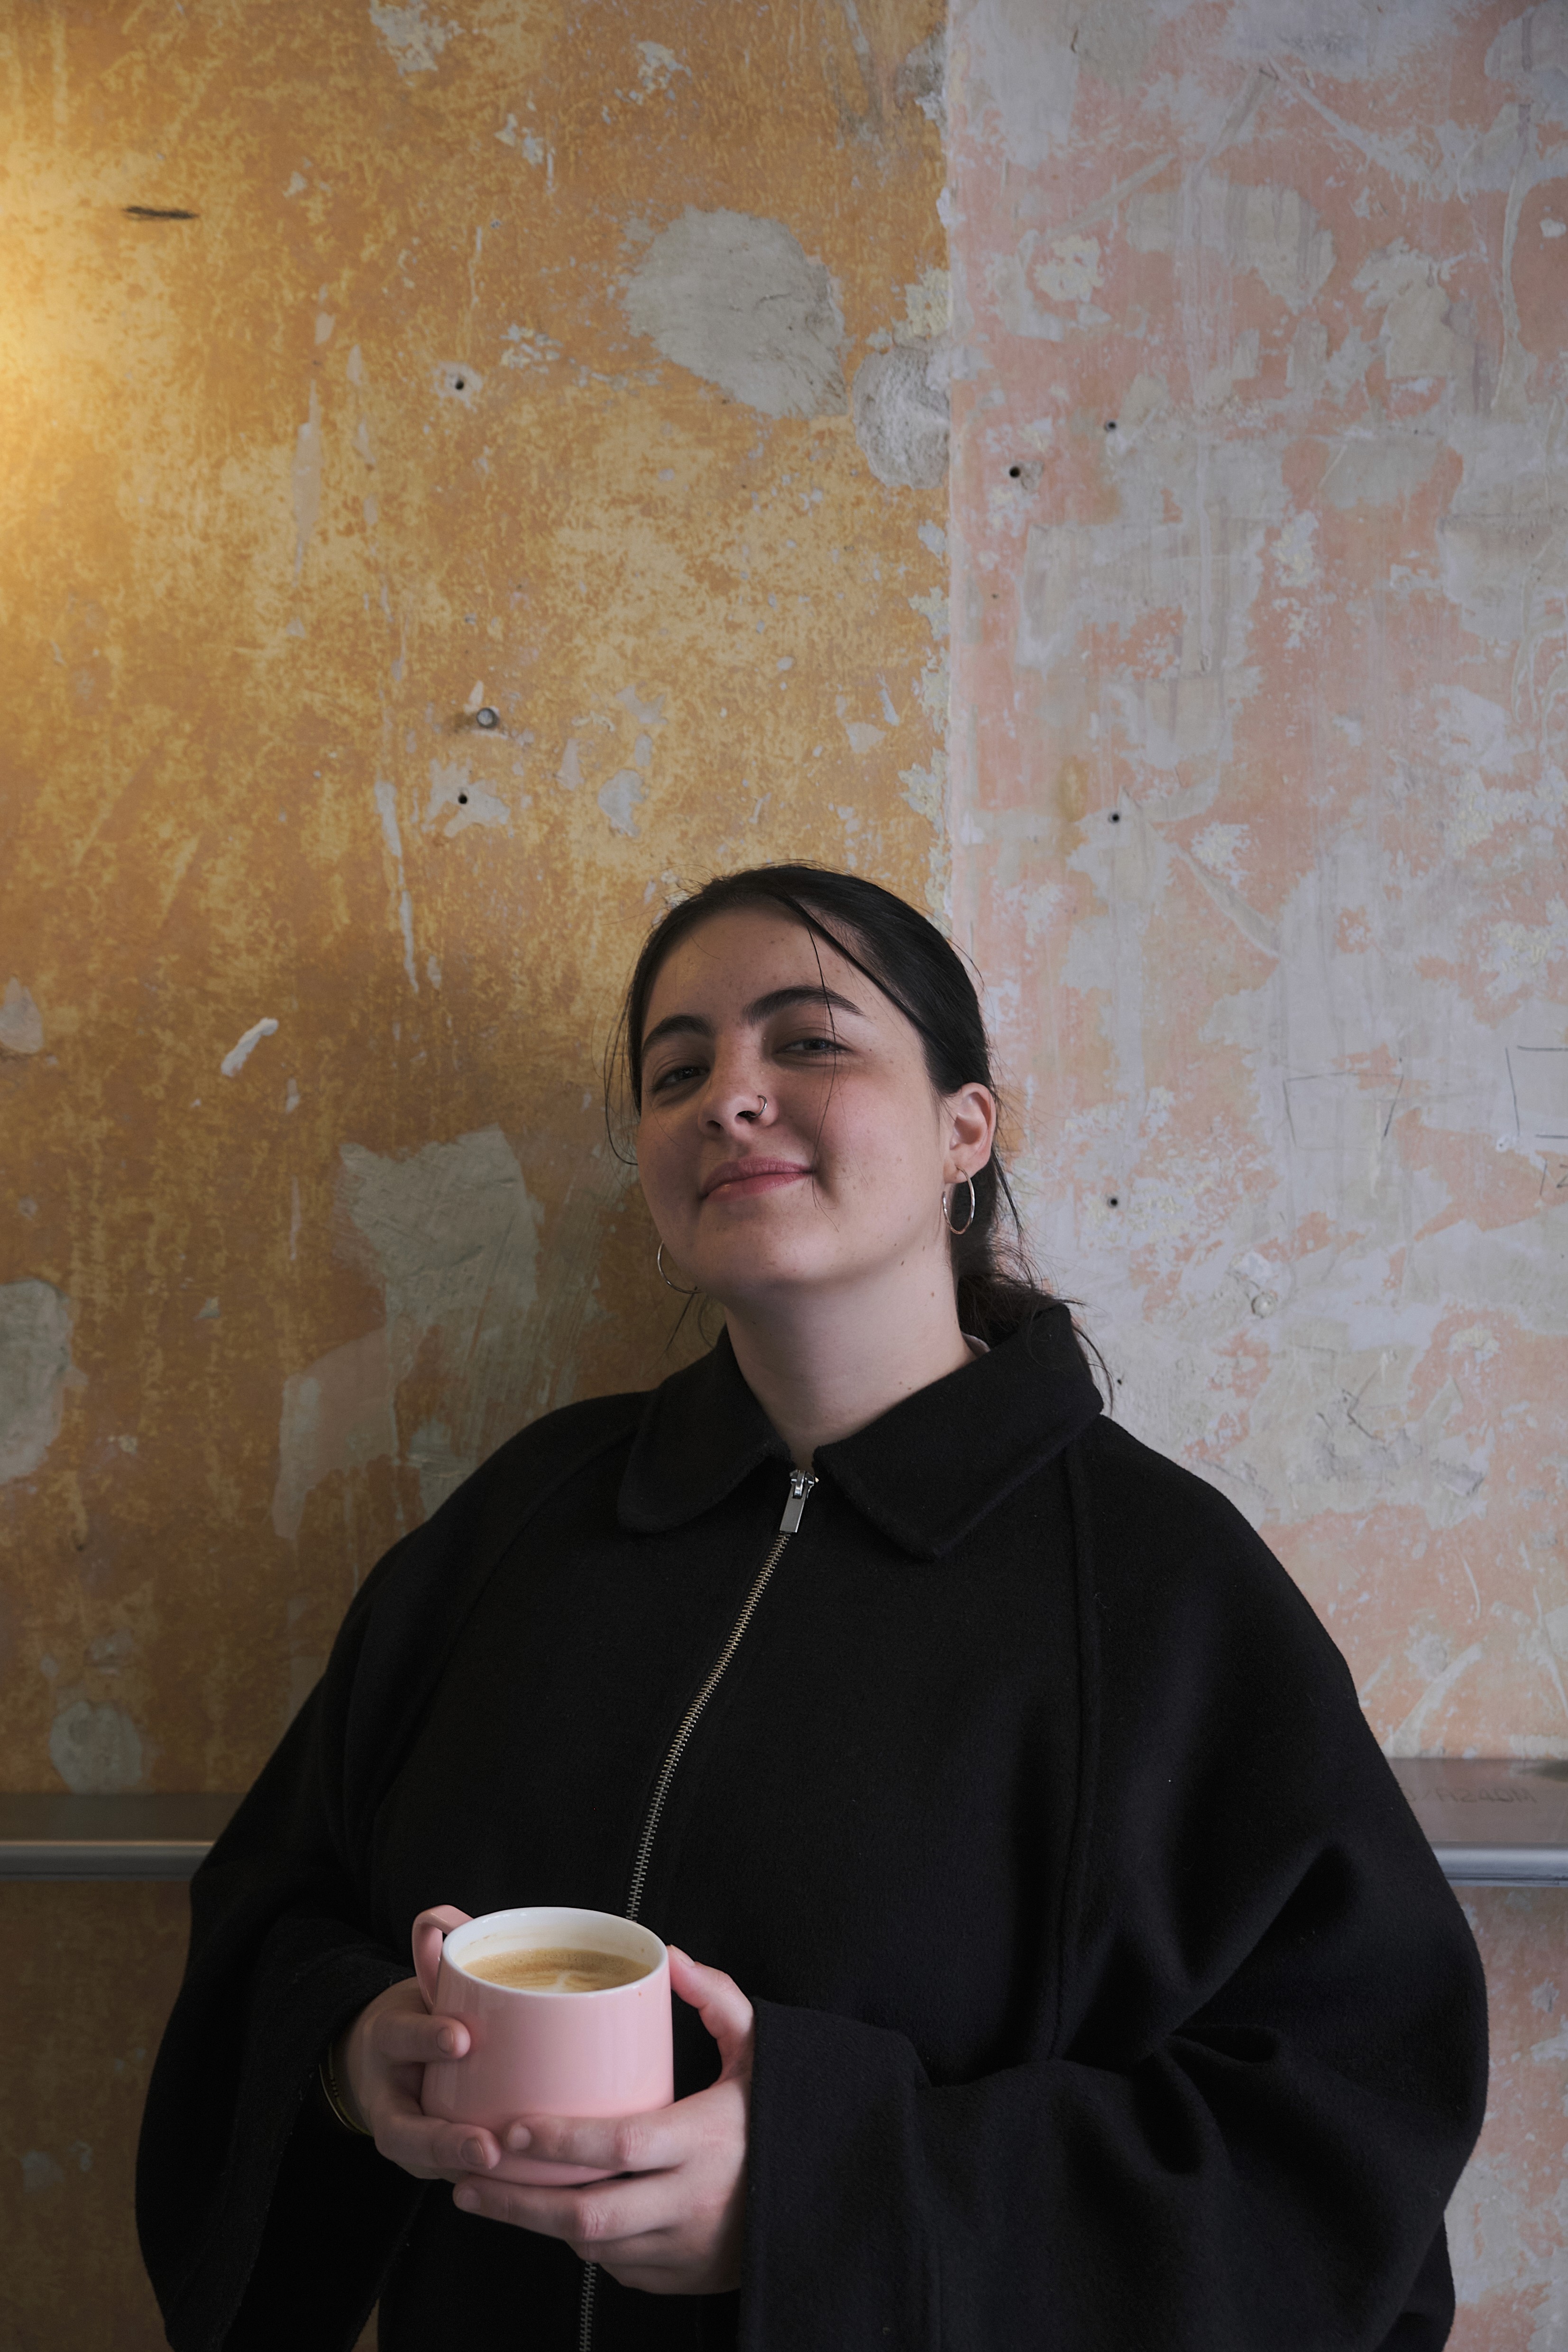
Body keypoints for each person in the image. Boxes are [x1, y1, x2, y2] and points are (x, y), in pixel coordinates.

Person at [138, 863, 1487, 2352]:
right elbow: (279, 1901)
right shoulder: (523, 1520)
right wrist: (352, 2054)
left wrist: (826, 2196)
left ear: (964, 1128)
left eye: (807, 1041)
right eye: (675, 1071)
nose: (728, 1097)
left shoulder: (1163, 1591)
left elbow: (1337, 2130)